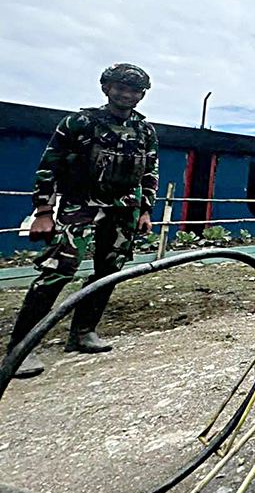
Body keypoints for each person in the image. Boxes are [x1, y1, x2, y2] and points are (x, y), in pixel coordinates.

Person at [7, 64, 158, 378]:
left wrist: (145, 211)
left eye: (134, 90)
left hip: (124, 209)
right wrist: (44, 213)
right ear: (106, 88)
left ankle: (83, 332)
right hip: (81, 206)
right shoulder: (79, 123)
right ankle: (21, 347)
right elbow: (49, 167)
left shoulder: (146, 131)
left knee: (110, 271)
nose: (126, 94)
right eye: (120, 87)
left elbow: (149, 173)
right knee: (57, 271)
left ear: (142, 95)